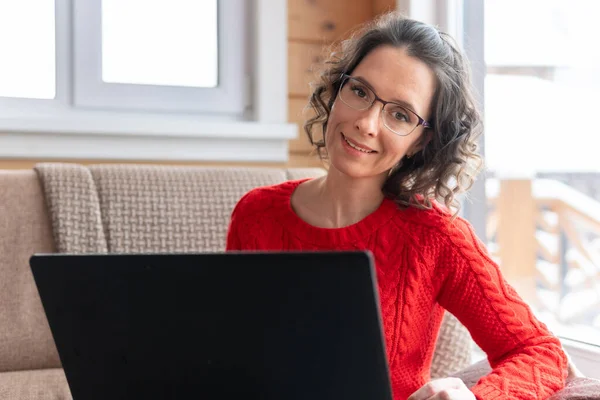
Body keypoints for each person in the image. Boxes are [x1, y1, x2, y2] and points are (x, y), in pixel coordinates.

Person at [226, 12, 568, 399]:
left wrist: (476, 398)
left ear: (421, 142)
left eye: (400, 115)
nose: (368, 123)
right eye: (360, 92)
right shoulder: (255, 216)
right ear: (338, 90)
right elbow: (233, 353)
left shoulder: (437, 236)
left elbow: (541, 351)